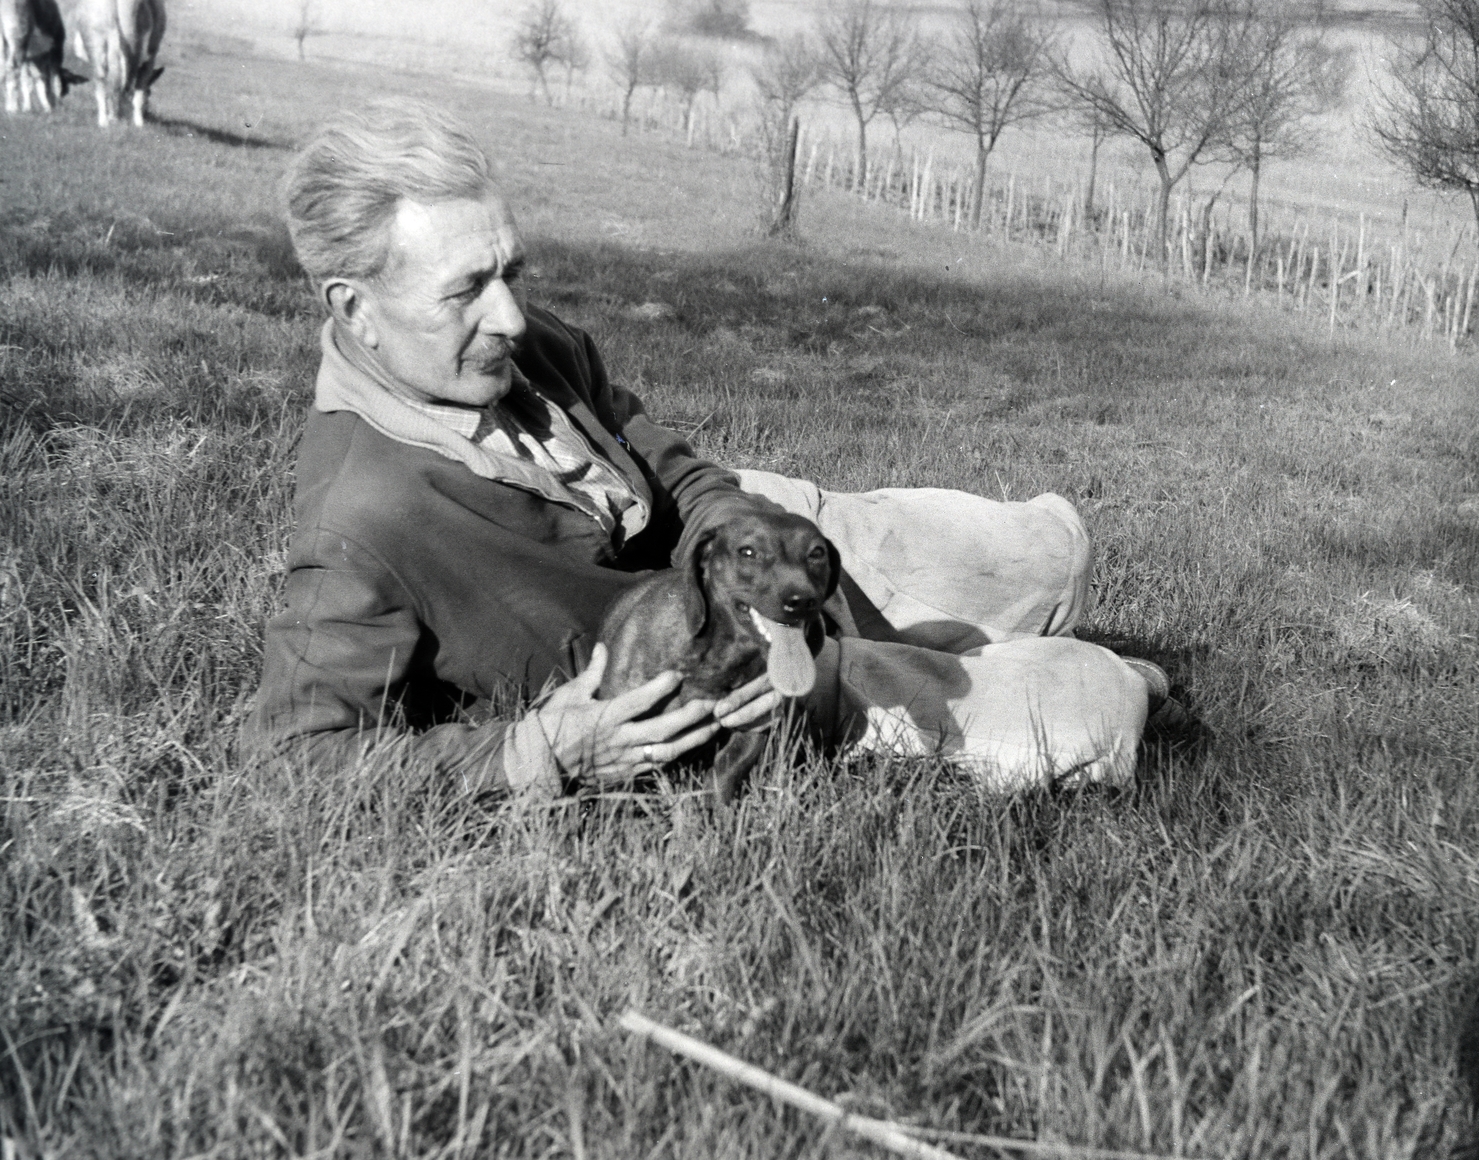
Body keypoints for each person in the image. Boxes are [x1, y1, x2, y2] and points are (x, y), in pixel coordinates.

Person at [247, 98, 1171, 799]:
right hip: (735, 661)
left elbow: (679, 471)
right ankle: (1115, 671)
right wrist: (534, 752)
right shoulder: (360, 520)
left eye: (511, 272)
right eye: (468, 290)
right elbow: (293, 757)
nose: (513, 316)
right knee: (1097, 705)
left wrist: (752, 535)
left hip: (772, 537)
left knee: (1054, 553)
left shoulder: (531, 347)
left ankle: (1000, 616)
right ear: (355, 309)